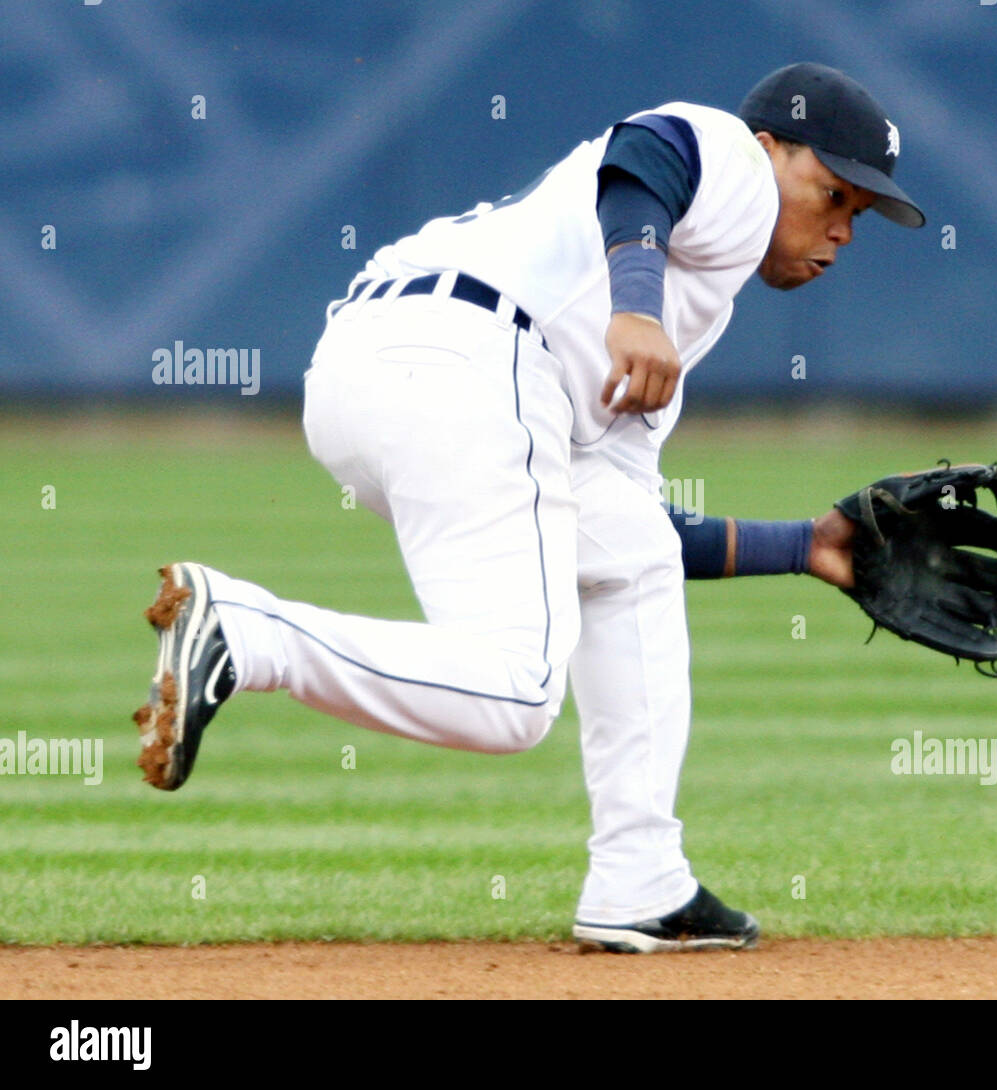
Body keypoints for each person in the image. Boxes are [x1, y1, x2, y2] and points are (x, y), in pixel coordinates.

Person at [132, 62, 925, 953]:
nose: (843, 230)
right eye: (834, 193)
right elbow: (648, 154)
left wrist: (805, 547)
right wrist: (635, 308)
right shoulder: (732, 165)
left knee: (631, 559)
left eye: (860, 213)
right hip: (473, 356)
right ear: (773, 147)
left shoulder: (690, 307)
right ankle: (248, 631)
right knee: (517, 694)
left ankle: (642, 879)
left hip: (377, 371)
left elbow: (611, 519)